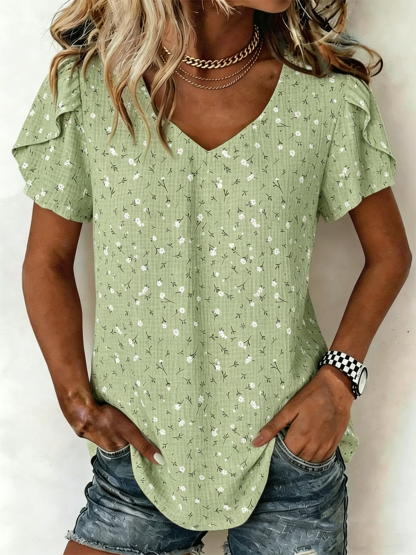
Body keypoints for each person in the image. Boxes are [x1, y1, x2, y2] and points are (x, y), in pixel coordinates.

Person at [12, 0, 411, 554]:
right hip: (137, 457)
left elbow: (390, 253)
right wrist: (75, 398)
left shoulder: (324, 95)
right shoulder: (90, 92)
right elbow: (47, 261)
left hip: (289, 454)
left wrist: (339, 383)